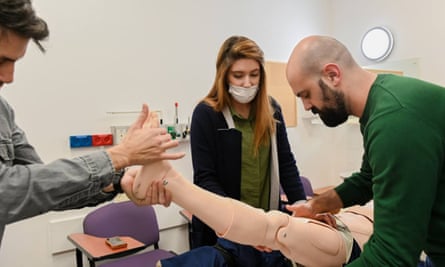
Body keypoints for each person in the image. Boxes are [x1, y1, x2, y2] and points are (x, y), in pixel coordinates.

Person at [0, 0, 184, 248]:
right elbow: (6, 192)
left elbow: (47, 189)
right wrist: (119, 156)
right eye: (1, 61)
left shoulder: (3, 111)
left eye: (14, 62)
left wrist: (117, 181)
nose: (9, 77)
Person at [284, 35, 444, 266]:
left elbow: (392, 256)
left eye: (306, 94)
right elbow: (367, 180)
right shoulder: (385, 100)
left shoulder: (394, 121)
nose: (307, 106)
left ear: (332, 75)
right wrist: (314, 206)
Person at [160, 35, 308, 267]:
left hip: (267, 227)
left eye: (254, 74)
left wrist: (301, 205)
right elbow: (205, 179)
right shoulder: (206, 114)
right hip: (223, 229)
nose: (247, 83)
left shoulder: (272, 110)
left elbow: (286, 163)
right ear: (224, 74)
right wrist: (242, 224)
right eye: (238, 75)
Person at [133, 155, 373, 267]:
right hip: (335, 224)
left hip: (348, 245)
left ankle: (171, 182)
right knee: (233, 249)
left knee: (276, 231)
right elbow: (359, 185)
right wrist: (312, 206)